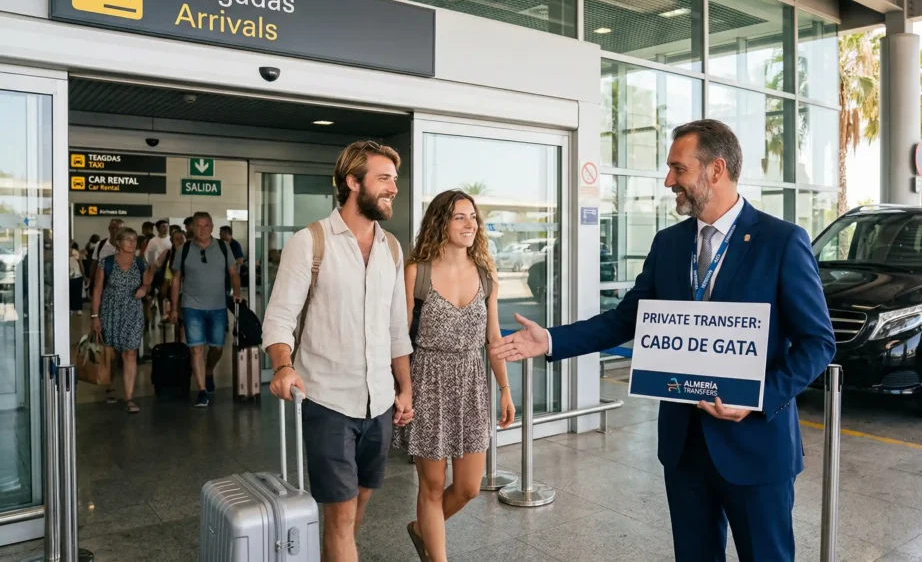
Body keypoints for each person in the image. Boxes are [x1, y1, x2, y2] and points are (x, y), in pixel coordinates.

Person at [490, 120, 836, 562]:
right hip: (685, 446)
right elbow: (626, 319)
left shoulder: (782, 241)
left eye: (678, 168)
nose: (669, 180)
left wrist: (759, 398)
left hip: (755, 446)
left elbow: (818, 343)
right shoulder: (669, 243)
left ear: (716, 169)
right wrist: (552, 340)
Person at [263, 140, 414, 562]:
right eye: (384, 179)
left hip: (380, 403)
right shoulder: (310, 242)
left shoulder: (392, 249)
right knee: (342, 517)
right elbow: (278, 319)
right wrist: (283, 366)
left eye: (394, 180)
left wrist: (405, 388)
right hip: (328, 401)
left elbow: (396, 330)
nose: (393, 188)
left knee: (355, 508)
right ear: (352, 182)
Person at [394, 190, 515, 562]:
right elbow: (398, 335)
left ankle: (422, 531)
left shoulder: (485, 272)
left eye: (473, 217)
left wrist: (506, 390)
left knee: (467, 487)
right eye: (460, 217)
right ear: (440, 222)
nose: (469, 224)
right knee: (431, 487)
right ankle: (437, 555)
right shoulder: (418, 272)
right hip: (427, 381)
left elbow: (493, 338)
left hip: (472, 383)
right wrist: (405, 389)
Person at [169, 212, 242, 408]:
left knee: (217, 347)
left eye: (206, 226)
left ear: (212, 227)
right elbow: (176, 279)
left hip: (217, 306)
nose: (202, 230)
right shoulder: (183, 249)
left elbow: (234, 272)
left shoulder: (222, 247)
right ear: (192, 227)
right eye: (198, 226)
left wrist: (237, 292)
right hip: (191, 306)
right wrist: (174, 307)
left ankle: (209, 370)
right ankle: (202, 390)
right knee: (196, 349)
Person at [91, 227, 158, 414]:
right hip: (110, 311)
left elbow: (147, 282)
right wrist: (95, 316)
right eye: (127, 239)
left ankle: (129, 397)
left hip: (133, 311)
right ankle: (110, 386)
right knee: (111, 353)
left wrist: (145, 288)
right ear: (118, 243)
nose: (132, 243)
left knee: (130, 353)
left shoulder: (139, 262)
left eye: (134, 239)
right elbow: (97, 289)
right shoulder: (106, 263)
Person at [145, 220, 173, 316]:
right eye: (163, 227)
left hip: (169, 268)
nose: (166, 229)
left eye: (167, 226)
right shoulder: (153, 241)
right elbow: (150, 258)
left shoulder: (171, 239)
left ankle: (165, 315)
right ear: (158, 229)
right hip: (157, 270)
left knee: (167, 294)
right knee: (156, 293)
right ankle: (155, 315)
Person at [69, 242, 84, 315]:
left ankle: (76, 308)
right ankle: (76, 308)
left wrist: (84, 275)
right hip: (75, 275)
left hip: (76, 275)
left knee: (74, 293)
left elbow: (80, 264)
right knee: (75, 293)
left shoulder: (75, 253)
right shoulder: (75, 253)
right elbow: (80, 264)